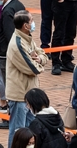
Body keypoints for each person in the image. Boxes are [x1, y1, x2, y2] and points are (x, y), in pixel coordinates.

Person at [5, 11, 48, 139]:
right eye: (31, 21)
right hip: (19, 96)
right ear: (25, 26)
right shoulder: (17, 44)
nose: (33, 23)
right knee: (18, 132)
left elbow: (42, 54)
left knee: (31, 129)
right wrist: (40, 65)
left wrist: (40, 59)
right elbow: (32, 69)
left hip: (29, 93)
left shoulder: (27, 38)